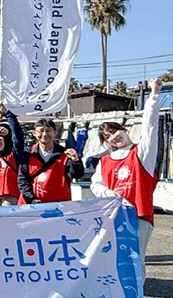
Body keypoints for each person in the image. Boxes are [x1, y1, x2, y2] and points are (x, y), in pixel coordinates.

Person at [92, 77, 162, 257]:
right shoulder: (104, 161)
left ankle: (138, 287)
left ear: (123, 129)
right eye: (107, 137)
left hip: (139, 214)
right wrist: (110, 194)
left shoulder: (142, 153)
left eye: (114, 131)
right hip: (114, 216)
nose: (114, 137)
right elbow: (96, 185)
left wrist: (154, 95)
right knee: (117, 259)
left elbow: (150, 127)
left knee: (135, 259)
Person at [17, 118, 84, 205]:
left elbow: (77, 175)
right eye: (41, 131)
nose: (44, 134)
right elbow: (22, 181)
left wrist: (76, 160)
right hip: (32, 206)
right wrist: (31, 199)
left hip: (58, 205)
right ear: (34, 133)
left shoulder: (65, 154)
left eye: (49, 131)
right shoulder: (28, 154)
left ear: (55, 133)